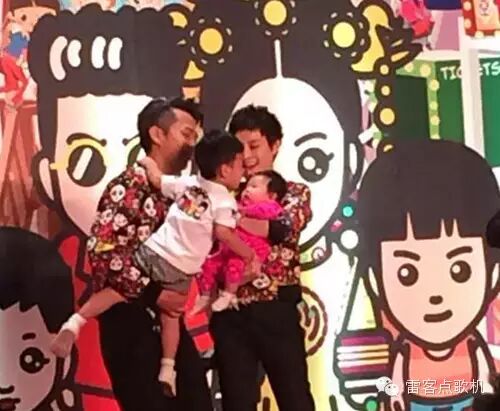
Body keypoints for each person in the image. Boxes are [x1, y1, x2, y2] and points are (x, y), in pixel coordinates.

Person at [52, 128, 260, 396]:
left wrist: (147, 162)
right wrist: (248, 253)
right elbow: (223, 233)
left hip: (152, 251)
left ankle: (75, 322)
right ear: (224, 169)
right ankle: (168, 367)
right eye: (240, 164)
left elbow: (157, 179)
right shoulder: (225, 202)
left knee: (117, 292)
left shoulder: (188, 184)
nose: (244, 171)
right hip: (180, 269)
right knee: (171, 316)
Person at [80, 97, 212, 411]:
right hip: (131, 323)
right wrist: (155, 293)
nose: (191, 144)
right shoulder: (127, 187)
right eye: (186, 134)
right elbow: (103, 254)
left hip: (169, 326)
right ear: (157, 134)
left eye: (195, 136)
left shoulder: (182, 193)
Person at [209, 105, 315, 411]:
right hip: (231, 314)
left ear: (275, 144)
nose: (247, 156)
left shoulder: (294, 192)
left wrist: (229, 221)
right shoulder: (223, 195)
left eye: (254, 146)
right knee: (236, 401)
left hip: (277, 310)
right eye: (239, 147)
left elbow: (281, 228)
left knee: (295, 398)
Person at [193, 170, 286, 313]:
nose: (247, 190)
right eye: (247, 186)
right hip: (229, 247)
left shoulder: (271, 206)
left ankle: (228, 294)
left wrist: (242, 212)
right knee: (208, 265)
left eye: (254, 187)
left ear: (272, 196)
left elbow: (263, 213)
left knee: (235, 264)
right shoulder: (235, 204)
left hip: (250, 249)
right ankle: (205, 295)